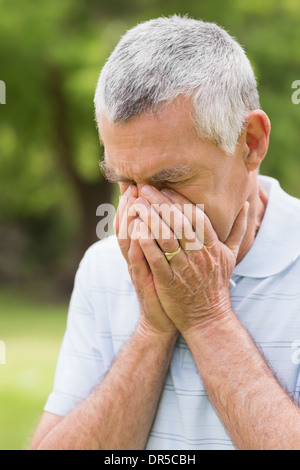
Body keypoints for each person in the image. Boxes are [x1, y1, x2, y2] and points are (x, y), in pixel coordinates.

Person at [31, 15, 300, 450]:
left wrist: (206, 317)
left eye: (168, 182)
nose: (141, 214)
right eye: (125, 182)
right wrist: (152, 332)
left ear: (250, 142)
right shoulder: (104, 267)